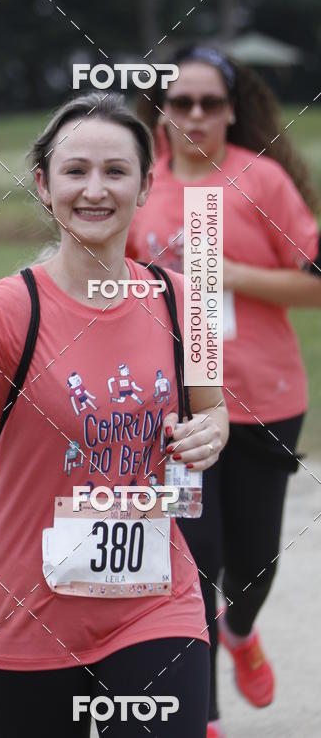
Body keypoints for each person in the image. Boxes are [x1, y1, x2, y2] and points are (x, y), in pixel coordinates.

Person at [0, 93, 230, 738]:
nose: (96, 189)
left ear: (146, 185)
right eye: (75, 171)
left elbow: (213, 413)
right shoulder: (8, 311)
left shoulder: (182, 300)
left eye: (117, 171)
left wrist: (214, 430)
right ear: (43, 184)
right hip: (27, 619)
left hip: (157, 606)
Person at [130, 46, 321, 738]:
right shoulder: (136, 186)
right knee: (189, 564)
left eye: (212, 103)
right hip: (178, 415)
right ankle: (200, 717)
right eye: (182, 103)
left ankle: (240, 631)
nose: (197, 116)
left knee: (254, 560)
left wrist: (231, 276)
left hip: (267, 401)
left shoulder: (262, 181)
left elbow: (315, 282)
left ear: (233, 109)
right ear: (162, 111)